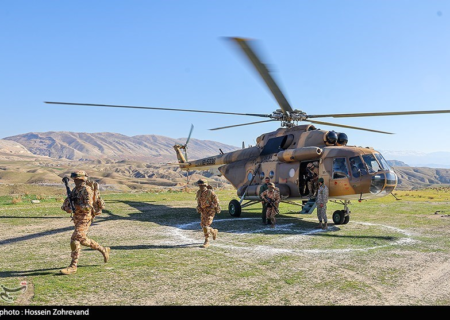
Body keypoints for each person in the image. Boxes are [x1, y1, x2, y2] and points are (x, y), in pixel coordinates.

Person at [60, 170, 110, 275]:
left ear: (82, 179)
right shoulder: (75, 190)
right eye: (74, 180)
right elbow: (67, 203)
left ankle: (73, 266)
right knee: (82, 240)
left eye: (77, 180)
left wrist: (76, 208)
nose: (75, 182)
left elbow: (88, 207)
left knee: (75, 239)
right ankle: (103, 249)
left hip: (85, 218)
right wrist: (67, 207)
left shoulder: (87, 190)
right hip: (77, 218)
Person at [196, 179, 221, 248]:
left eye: (202, 185)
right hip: (203, 211)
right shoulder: (199, 193)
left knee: (206, 225)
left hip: (210, 211)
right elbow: (199, 201)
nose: (201, 187)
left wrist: (212, 207)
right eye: (200, 186)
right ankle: (213, 231)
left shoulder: (210, 192)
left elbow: (216, 201)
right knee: (203, 225)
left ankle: (206, 241)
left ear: (206, 185)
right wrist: (199, 207)